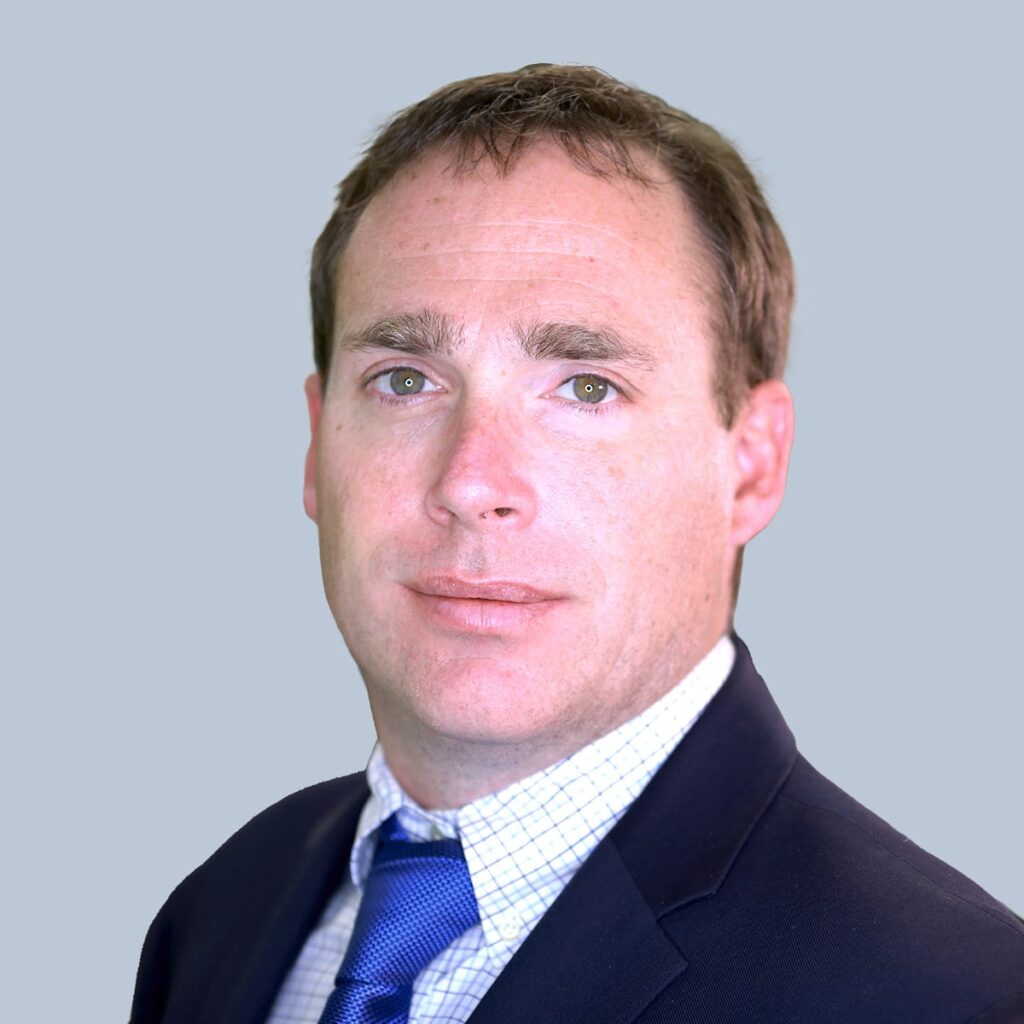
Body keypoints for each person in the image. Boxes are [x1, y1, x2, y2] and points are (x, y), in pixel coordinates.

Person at [129, 64, 1024, 1023]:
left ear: (752, 467)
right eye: (403, 380)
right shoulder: (221, 914)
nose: (471, 483)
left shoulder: (951, 996)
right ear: (316, 444)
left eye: (586, 386)